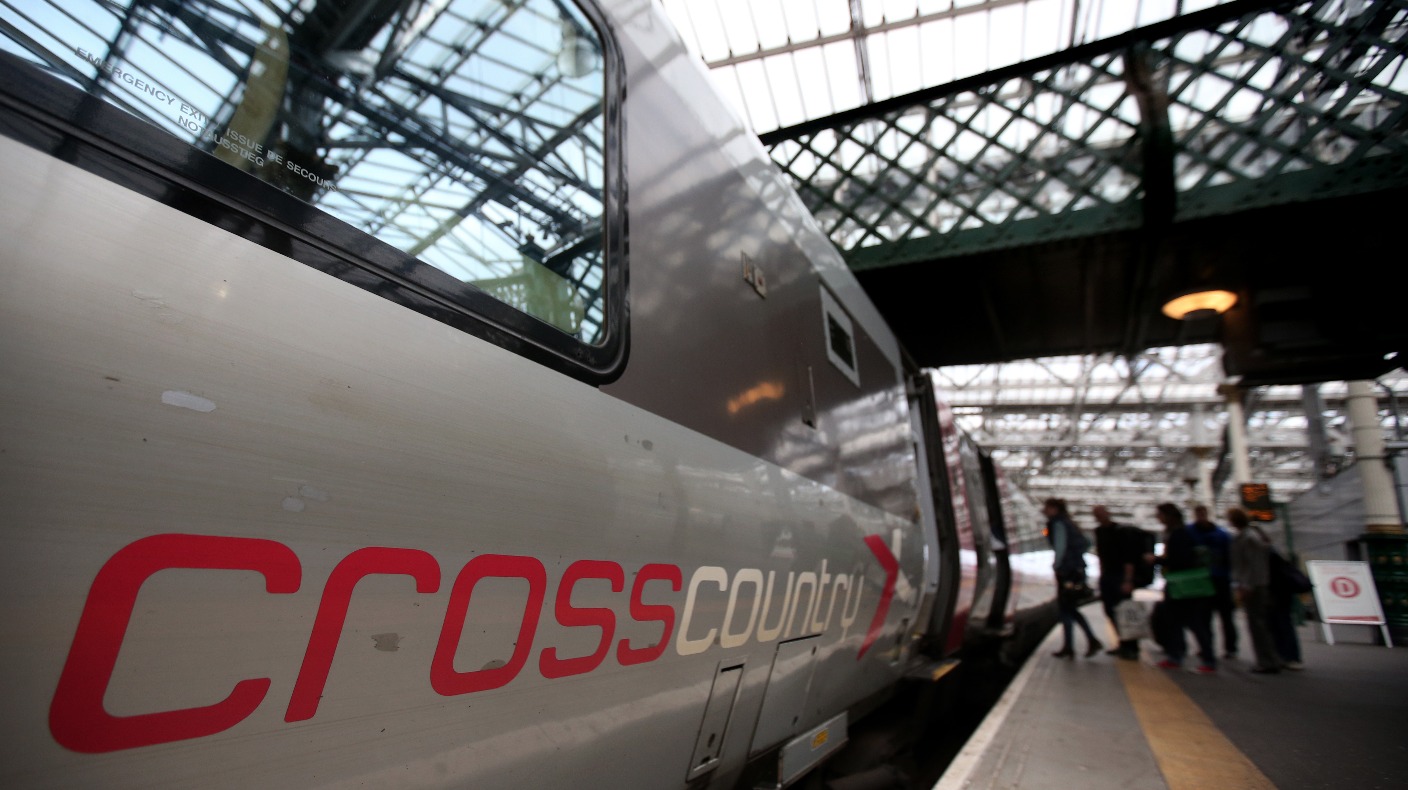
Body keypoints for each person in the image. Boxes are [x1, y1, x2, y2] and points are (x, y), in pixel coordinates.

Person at [1154, 502, 1217, 673]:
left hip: (1182, 583)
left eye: (1160, 514)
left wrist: (1157, 560)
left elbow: (1180, 559)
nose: (1157, 518)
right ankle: (1179, 655)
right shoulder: (1180, 532)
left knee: (1191, 622)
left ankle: (1204, 659)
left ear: (1168, 516)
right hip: (1180, 583)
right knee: (1178, 621)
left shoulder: (1179, 534)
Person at [1044, 498, 1101, 658]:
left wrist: (1057, 565)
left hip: (1067, 572)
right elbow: (1087, 542)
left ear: (1055, 508)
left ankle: (1075, 645)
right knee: (1069, 609)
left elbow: (1060, 546)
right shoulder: (1069, 523)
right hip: (1076, 570)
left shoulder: (1058, 523)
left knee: (1066, 608)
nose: (1045, 511)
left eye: (1047, 507)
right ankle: (1080, 643)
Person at [1228, 508, 1281, 673]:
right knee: (1260, 623)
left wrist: (1246, 585)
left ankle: (1266, 661)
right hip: (1257, 583)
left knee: (1257, 625)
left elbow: (1251, 564)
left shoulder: (1248, 538)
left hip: (1253, 585)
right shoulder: (1252, 535)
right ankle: (1271, 659)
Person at [1093, 505, 1141, 660]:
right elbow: (1101, 556)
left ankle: (1132, 647)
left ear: (1107, 513)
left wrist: (1128, 580)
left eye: (1101, 513)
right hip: (1107, 576)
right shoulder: (1099, 532)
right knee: (1110, 611)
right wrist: (1101, 576)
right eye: (1096, 514)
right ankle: (1122, 642)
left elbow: (1128, 558)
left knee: (1125, 612)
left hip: (1120, 576)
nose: (1099, 517)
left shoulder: (1120, 532)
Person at [1191, 505, 1238, 659]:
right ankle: (1206, 645)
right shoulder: (1190, 533)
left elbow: (1230, 558)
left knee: (1226, 616)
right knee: (1204, 617)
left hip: (1221, 580)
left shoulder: (1221, 535)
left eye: (1203, 513)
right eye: (1198, 514)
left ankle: (1230, 647)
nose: (1201, 517)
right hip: (1202, 581)